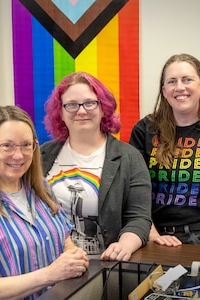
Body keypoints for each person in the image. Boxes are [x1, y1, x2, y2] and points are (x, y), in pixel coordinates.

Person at [0, 106, 89, 300]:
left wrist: (75, 258)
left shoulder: (42, 190)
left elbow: (65, 243)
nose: (18, 155)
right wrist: (51, 274)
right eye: (7, 145)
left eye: (26, 145)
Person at [129, 53, 200, 251]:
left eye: (187, 80)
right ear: (164, 91)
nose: (180, 87)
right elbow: (134, 190)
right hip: (152, 235)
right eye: (172, 81)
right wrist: (152, 234)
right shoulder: (144, 129)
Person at [41, 71, 152, 261]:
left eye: (90, 103)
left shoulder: (129, 157)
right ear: (60, 112)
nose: (81, 111)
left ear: (103, 109)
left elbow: (139, 218)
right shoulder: (42, 155)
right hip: (48, 268)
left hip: (103, 270)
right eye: (71, 105)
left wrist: (124, 245)